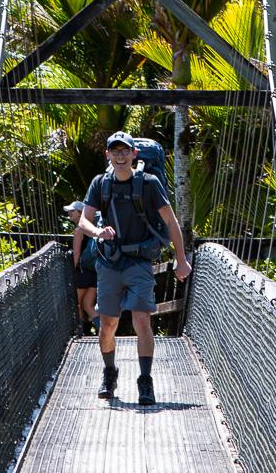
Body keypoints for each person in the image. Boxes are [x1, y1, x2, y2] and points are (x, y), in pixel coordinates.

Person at [78, 131, 191, 405]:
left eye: (124, 150)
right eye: (114, 150)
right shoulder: (100, 184)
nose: (119, 155)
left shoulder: (149, 184)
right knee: (108, 324)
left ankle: (145, 381)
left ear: (133, 154)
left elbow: (171, 221)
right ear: (107, 155)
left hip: (139, 262)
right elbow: (83, 221)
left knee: (142, 320)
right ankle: (109, 373)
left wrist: (181, 258)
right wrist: (97, 233)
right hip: (109, 263)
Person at [64, 200, 100, 335]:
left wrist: (71, 272)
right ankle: (103, 330)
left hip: (83, 272)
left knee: (77, 304)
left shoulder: (79, 229)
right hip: (94, 272)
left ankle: (81, 335)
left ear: (80, 213)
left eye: (72, 211)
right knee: (88, 305)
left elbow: (76, 253)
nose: (69, 213)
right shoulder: (93, 228)